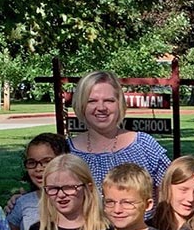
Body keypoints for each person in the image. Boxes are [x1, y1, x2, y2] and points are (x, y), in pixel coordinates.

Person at [66, 71, 170, 210]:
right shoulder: (67, 152)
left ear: (119, 104)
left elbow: (171, 190)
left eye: (109, 101)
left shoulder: (144, 145)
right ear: (81, 105)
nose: (101, 108)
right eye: (92, 101)